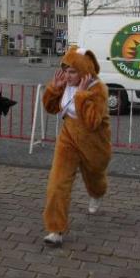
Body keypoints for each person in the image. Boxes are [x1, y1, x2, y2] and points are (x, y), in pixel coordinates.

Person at [41, 46, 112, 247]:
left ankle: (97, 194)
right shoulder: (65, 83)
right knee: (57, 182)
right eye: (65, 70)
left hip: (94, 142)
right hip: (69, 137)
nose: (67, 76)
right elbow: (51, 108)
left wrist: (81, 95)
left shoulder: (98, 89)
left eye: (72, 71)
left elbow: (92, 122)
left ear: (84, 72)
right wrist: (54, 88)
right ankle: (55, 229)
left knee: (95, 179)